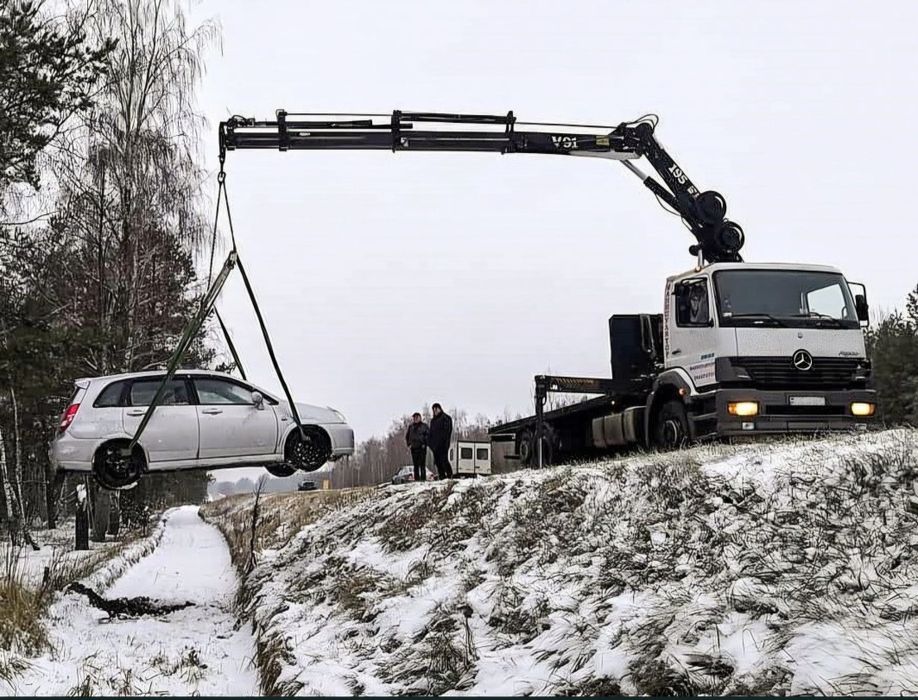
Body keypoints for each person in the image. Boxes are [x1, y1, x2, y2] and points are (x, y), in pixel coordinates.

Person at [428, 403, 453, 479]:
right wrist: (430, 444)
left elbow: (447, 431)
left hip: (443, 444)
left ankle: (449, 475)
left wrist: (445, 442)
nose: (435, 411)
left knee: (444, 460)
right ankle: (442, 477)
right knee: (438, 462)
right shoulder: (433, 421)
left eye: (436, 409)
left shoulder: (446, 418)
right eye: (434, 410)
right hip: (435, 446)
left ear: (440, 409)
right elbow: (430, 433)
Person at [405, 412, 429, 482]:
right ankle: (417, 479)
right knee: (415, 465)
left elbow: (428, 435)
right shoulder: (411, 427)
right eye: (414, 417)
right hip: (414, 448)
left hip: (422, 447)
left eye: (417, 417)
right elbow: (407, 436)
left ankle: (423, 479)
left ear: (420, 418)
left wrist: (425, 443)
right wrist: (409, 444)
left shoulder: (424, 426)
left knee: (422, 464)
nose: (415, 419)